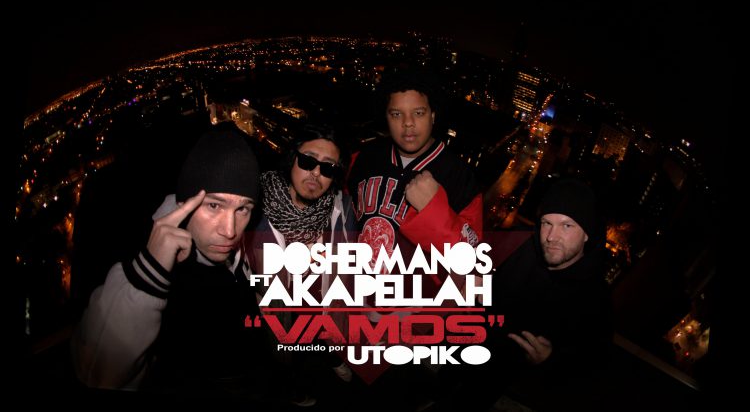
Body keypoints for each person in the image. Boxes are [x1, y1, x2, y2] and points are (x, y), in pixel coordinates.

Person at [71, 123, 267, 395]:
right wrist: (148, 277)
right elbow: (100, 375)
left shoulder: (242, 244)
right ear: (184, 203)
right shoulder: (144, 258)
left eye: (243, 208)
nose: (230, 230)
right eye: (214, 205)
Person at [437, 178, 613, 411]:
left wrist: (550, 359)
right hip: (458, 351)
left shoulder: (594, 297)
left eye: (567, 226)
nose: (551, 236)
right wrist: (471, 275)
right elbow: (468, 253)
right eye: (547, 223)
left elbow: (593, 363)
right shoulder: (517, 242)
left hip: (504, 381)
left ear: (587, 234)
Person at [243, 122, 356, 406]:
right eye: (308, 161)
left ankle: (332, 356)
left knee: (323, 332)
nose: (316, 173)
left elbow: (350, 254)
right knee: (285, 355)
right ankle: (292, 388)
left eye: (328, 167)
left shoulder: (341, 208)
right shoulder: (255, 210)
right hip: (281, 308)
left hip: (321, 301)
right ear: (292, 158)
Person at [347, 69, 483, 296]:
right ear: (386, 117)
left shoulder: (460, 176)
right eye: (396, 114)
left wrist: (434, 212)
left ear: (433, 115)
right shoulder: (363, 158)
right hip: (355, 295)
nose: (408, 123)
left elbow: (474, 265)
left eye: (418, 113)